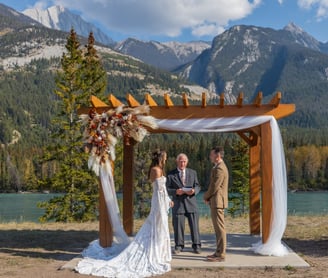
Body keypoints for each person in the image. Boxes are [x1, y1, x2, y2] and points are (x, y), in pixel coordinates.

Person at [76, 149, 173, 277]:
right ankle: (155, 251)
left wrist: (168, 200)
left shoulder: (157, 169)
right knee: (156, 225)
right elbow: (161, 190)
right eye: (165, 157)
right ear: (161, 158)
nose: (166, 159)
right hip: (158, 201)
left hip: (159, 199)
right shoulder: (157, 170)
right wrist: (165, 202)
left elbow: (162, 190)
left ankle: (159, 250)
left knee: (158, 226)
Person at [166, 153, 201, 254]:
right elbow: (167, 189)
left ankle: (197, 245)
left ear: (187, 162)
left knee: (194, 226)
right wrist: (176, 192)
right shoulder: (171, 174)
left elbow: (198, 186)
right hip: (178, 204)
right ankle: (179, 246)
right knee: (178, 226)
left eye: (184, 161)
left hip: (191, 203)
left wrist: (194, 191)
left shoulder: (193, 172)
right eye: (181, 161)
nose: (182, 163)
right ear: (177, 161)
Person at [203, 146, 229, 262]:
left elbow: (214, 186)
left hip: (218, 202)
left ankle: (221, 254)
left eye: (211, 154)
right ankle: (218, 252)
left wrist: (206, 196)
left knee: (220, 228)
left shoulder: (220, 169)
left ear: (217, 156)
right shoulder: (218, 167)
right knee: (218, 229)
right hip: (216, 201)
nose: (210, 156)